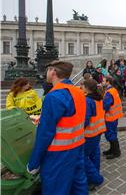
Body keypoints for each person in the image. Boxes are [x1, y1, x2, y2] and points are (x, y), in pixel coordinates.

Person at [27, 61, 88, 195]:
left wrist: (33, 163)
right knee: (78, 183)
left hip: (58, 153)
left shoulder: (53, 96)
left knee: (55, 189)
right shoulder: (78, 92)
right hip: (77, 145)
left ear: (53, 71)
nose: (46, 73)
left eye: (48, 70)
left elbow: (45, 134)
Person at [83, 79, 106, 190]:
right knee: (94, 155)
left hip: (89, 133)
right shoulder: (99, 97)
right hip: (98, 130)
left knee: (82, 157)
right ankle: (93, 178)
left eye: (83, 86)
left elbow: (85, 119)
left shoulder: (88, 100)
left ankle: (96, 178)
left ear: (87, 88)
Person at [102, 75, 124, 159]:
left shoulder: (109, 93)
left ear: (108, 82)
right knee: (113, 133)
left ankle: (116, 152)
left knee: (110, 134)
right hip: (114, 116)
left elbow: (106, 105)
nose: (102, 82)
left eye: (104, 81)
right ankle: (112, 149)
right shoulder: (113, 90)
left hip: (110, 117)